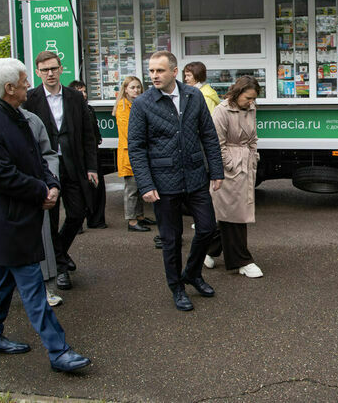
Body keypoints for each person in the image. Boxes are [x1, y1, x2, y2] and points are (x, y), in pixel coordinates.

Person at [0, 57, 90, 372]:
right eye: (24, 81)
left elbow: (38, 158)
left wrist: (51, 184)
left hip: (19, 219)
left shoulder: (17, 117)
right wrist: (41, 191)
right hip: (5, 223)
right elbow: (2, 176)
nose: (28, 85)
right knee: (34, 290)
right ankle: (59, 351)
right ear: (10, 88)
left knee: (2, 282)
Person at [128, 50, 224, 311]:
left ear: (174, 71)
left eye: (159, 70)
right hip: (163, 182)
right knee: (171, 239)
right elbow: (136, 147)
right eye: (151, 71)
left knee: (207, 228)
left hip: (195, 176)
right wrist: (146, 185)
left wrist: (216, 171)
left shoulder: (194, 96)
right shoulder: (143, 103)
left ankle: (192, 273)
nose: (154, 75)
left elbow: (208, 134)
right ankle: (177, 287)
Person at [0, 106, 65, 308]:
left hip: (34, 193)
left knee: (38, 242)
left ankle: (42, 287)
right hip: (4, 196)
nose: (26, 91)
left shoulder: (32, 120)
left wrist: (52, 183)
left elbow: (47, 155)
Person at [24, 51, 98, 291]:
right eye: (45, 70)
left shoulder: (75, 97)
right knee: (51, 218)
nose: (50, 73)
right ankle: (61, 268)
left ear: (61, 69)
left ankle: (60, 253)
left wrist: (91, 167)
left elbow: (87, 134)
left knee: (78, 213)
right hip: (45, 168)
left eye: (54, 68)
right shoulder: (30, 99)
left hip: (73, 164)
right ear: (38, 72)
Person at [205, 76, 263, 277]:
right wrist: (229, 165)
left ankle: (208, 249)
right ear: (237, 93)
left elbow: (253, 137)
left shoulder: (251, 108)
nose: (251, 102)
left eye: (254, 98)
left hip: (245, 163)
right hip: (228, 168)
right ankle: (242, 260)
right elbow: (216, 144)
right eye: (248, 98)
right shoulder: (221, 111)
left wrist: (253, 156)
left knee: (232, 212)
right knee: (234, 214)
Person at [112, 76, 156, 236]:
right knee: (131, 189)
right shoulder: (123, 106)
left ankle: (139, 216)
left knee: (138, 187)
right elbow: (129, 132)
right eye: (132, 87)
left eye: (138, 87)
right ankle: (132, 220)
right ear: (125, 90)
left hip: (137, 151)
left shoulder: (136, 104)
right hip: (129, 153)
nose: (136, 90)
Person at [69, 80, 108, 230]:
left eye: (85, 91)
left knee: (97, 187)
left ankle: (96, 219)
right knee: (79, 189)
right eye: (80, 92)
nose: (84, 95)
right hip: (78, 155)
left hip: (93, 152)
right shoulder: (71, 111)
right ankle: (77, 222)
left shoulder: (89, 109)